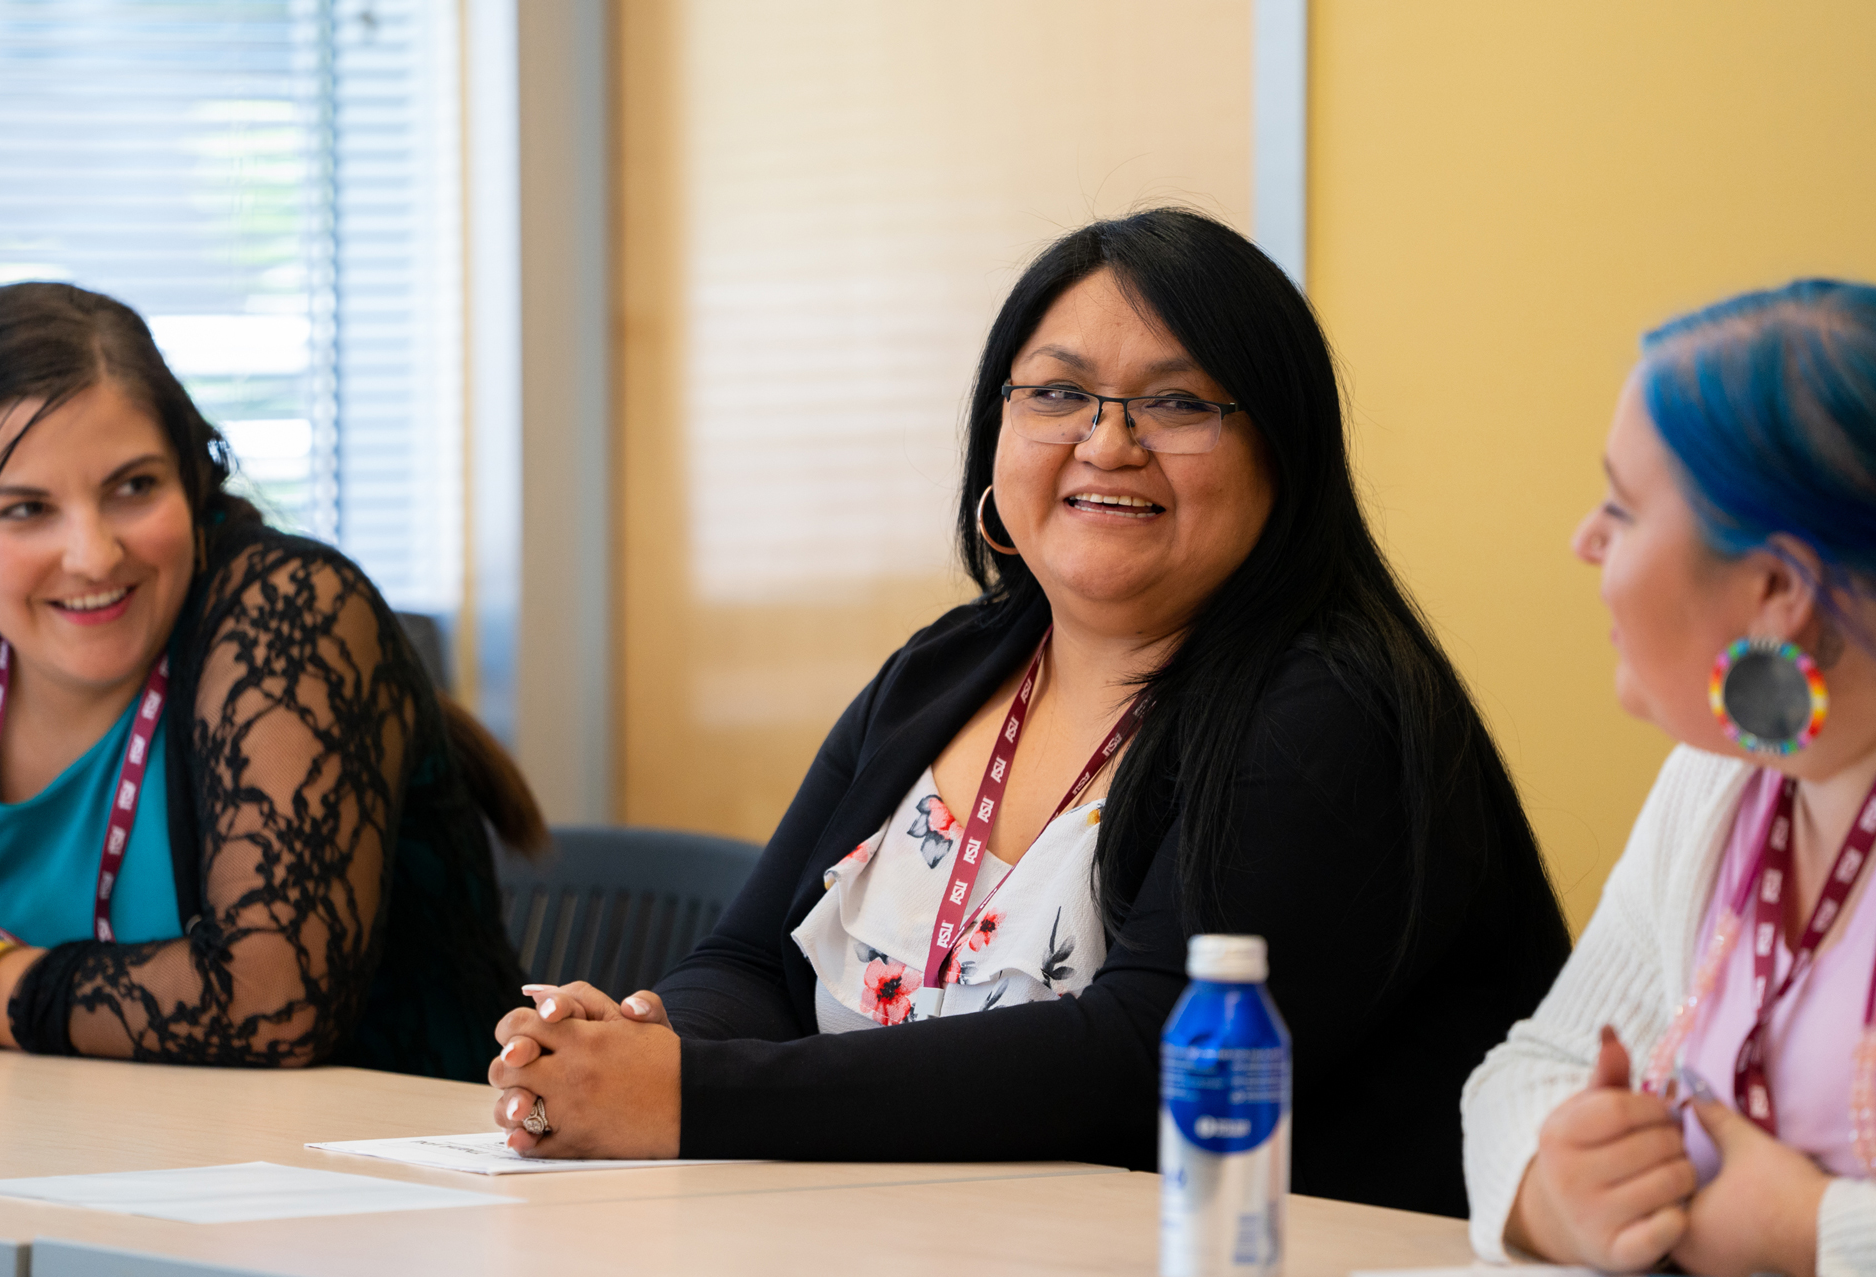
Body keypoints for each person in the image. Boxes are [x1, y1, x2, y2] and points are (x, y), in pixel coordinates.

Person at [491, 208, 1571, 1215]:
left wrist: (690, 1093)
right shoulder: (948, 668)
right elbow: (748, 965)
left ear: (1284, 455)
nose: (1108, 443)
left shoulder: (1328, 710)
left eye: (1179, 402)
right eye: (1058, 394)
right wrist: (633, 1042)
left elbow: (1136, 1060)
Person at [0, 282, 539, 1079]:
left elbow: (270, 1005)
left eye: (134, 488)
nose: (92, 554)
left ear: (195, 481)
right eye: (25, 510)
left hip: (385, 1171)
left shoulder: (294, 617)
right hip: (65, 1161)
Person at [1463, 280, 1876, 1277]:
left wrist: (1809, 1229)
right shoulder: (1721, 776)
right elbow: (1525, 1073)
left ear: (1776, 589)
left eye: (1622, 506)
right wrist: (1552, 1182)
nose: (1585, 540)